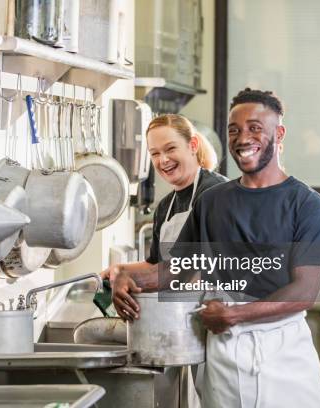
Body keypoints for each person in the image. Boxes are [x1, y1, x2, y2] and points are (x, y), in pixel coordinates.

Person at [112, 88, 320, 408]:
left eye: (255, 128)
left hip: (283, 354)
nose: (243, 138)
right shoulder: (212, 202)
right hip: (225, 359)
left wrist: (234, 314)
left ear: (279, 133)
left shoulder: (307, 205)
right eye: (234, 130)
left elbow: (304, 291)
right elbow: (180, 268)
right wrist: (128, 279)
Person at [100, 114, 226, 408]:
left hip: (216, 322)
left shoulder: (215, 193)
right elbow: (157, 263)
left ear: (193, 145)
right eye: (155, 154)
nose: (163, 160)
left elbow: (189, 268)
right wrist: (119, 271)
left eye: (170, 149)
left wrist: (130, 279)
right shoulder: (166, 206)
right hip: (182, 322)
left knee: (217, 396)